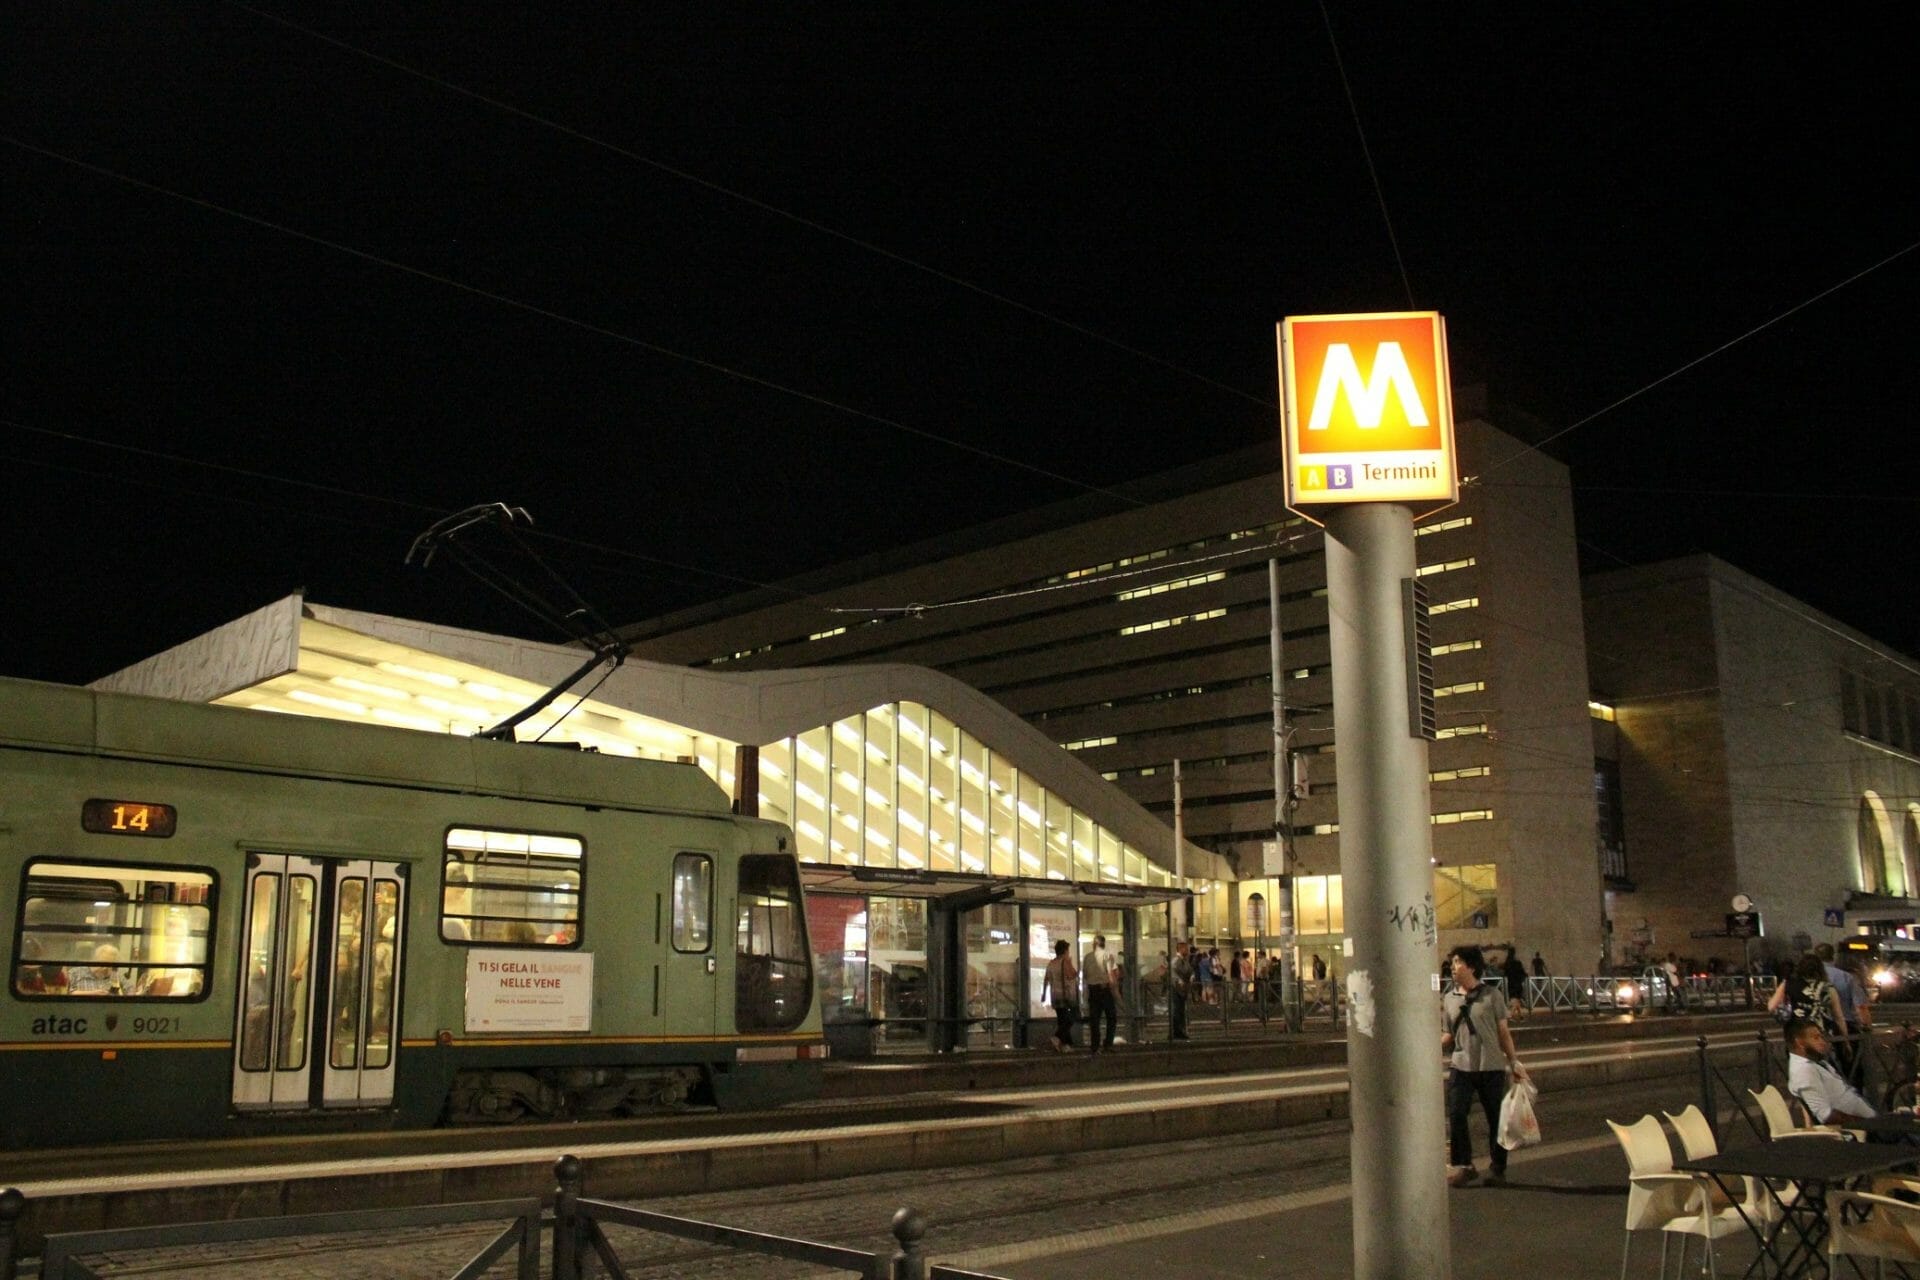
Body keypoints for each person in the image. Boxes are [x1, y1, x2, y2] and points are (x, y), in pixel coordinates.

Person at [1441, 944, 1528, 1188]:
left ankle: (1498, 1168)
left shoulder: (1492, 996)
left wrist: (1514, 1062)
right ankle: (1464, 1165)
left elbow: (1503, 1033)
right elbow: (1448, 1034)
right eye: (1452, 962)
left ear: (1471, 966)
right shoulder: (1449, 999)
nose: (1453, 966)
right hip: (1461, 1066)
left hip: (1491, 1066)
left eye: (1457, 962)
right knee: (1457, 1113)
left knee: (1495, 1118)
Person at [1784, 1017, 1918, 1144]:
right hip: (1865, 1130)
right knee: (1910, 1130)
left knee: (1907, 1120)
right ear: (1799, 1042)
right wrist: (1865, 1122)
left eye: (1821, 1036)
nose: (1822, 1041)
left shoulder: (1814, 1063)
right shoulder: (1804, 1071)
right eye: (1815, 1038)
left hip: (1871, 1123)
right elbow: (1825, 1115)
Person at [1769, 953, 1847, 1046]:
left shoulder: (1788, 984)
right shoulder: (1828, 988)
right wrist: (1846, 1041)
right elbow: (1839, 1017)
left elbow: (1771, 1006)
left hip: (1796, 1035)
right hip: (1822, 1036)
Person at [1083, 933, 1119, 1054]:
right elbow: (1110, 974)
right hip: (1104, 990)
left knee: (1094, 1019)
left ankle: (1095, 1046)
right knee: (1111, 1017)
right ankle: (1108, 1044)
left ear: (1095, 944)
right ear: (1103, 943)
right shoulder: (1107, 955)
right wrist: (1114, 990)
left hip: (1092, 990)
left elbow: (1085, 975)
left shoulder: (1087, 957)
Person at [1040, 939, 1078, 1052]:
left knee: (1062, 1020)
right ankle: (1057, 1038)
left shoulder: (1051, 963)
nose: (1069, 953)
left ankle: (1065, 1045)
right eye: (1068, 950)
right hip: (1066, 996)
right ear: (1065, 951)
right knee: (1072, 1017)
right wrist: (1070, 962)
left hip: (1055, 996)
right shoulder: (1064, 962)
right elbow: (1072, 975)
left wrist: (1043, 994)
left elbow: (1046, 979)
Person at [1168, 940, 1193, 1040]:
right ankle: (1176, 1032)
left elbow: (1190, 970)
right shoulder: (1176, 961)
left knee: (1180, 1011)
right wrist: (1179, 980)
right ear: (1181, 949)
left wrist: (1192, 976)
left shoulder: (1184, 961)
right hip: (1176, 989)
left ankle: (1178, 1031)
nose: (1188, 950)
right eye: (1186, 948)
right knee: (1177, 1011)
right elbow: (1172, 973)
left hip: (1182, 990)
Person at [1501, 949, 1529, 1019]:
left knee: (1516, 1000)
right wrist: (1526, 975)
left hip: (1510, 984)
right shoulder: (1518, 963)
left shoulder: (1507, 963)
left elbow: (1505, 973)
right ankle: (1510, 1015)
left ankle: (1520, 1015)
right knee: (1517, 999)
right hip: (1518, 983)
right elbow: (1522, 972)